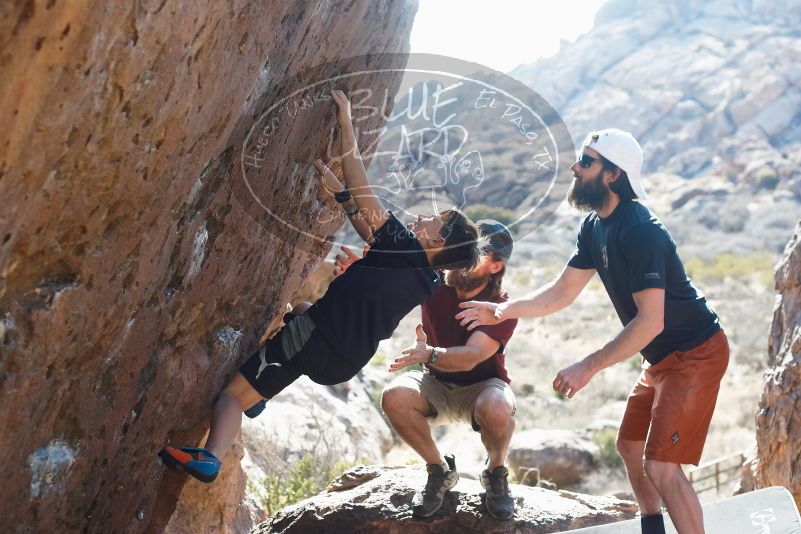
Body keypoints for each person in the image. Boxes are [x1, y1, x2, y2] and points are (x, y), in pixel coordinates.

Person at [159, 90, 480, 483]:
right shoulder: (427, 279)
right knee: (298, 311)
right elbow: (369, 230)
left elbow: (361, 181)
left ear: (438, 242)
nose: (425, 216)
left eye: (435, 218)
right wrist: (342, 198)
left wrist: (346, 122)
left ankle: (211, 456)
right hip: (346, 359)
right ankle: (260, 397)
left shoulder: (402, 244)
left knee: (230, 398)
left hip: (317, 340)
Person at [456, 129, 728, 534]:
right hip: (661, 357)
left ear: (612, 175)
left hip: (696, 354)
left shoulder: (642, 231)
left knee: (662, 468)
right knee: (630, 447)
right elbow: (563, 292)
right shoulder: (595, 226)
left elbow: (651, 321)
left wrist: (588, 366)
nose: (574, 167)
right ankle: (652, 527)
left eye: (586, 161)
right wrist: (503, 309)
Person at [333, 221, 518, 520]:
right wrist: (358, 273)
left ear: (496, 267)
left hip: (483, 386)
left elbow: (472, 356)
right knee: (395, 396)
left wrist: (429, 353)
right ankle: (439, 471)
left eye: (477, 252)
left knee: (497, 409)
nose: (466, 254)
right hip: (436, 382)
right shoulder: (433, 278)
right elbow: (384, 284)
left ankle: (495, 473)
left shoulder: (501, 306)